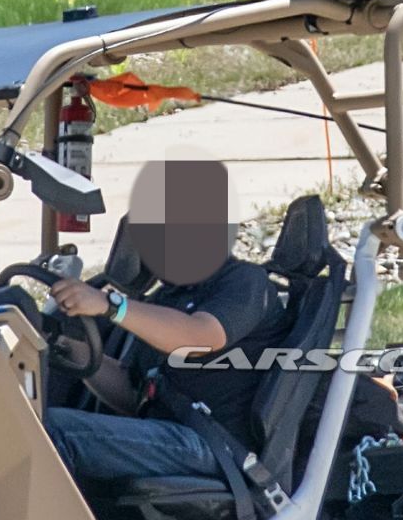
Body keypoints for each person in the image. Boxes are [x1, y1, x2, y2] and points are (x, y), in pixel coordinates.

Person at [44, 159, 289, 483]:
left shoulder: (244, 281)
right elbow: (132, 395)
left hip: (215, 447)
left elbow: (200, 336)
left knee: (54, 432)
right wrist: (59, 345)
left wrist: (109, 305)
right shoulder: (165, 299)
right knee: (30, 422)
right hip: (165, 433)